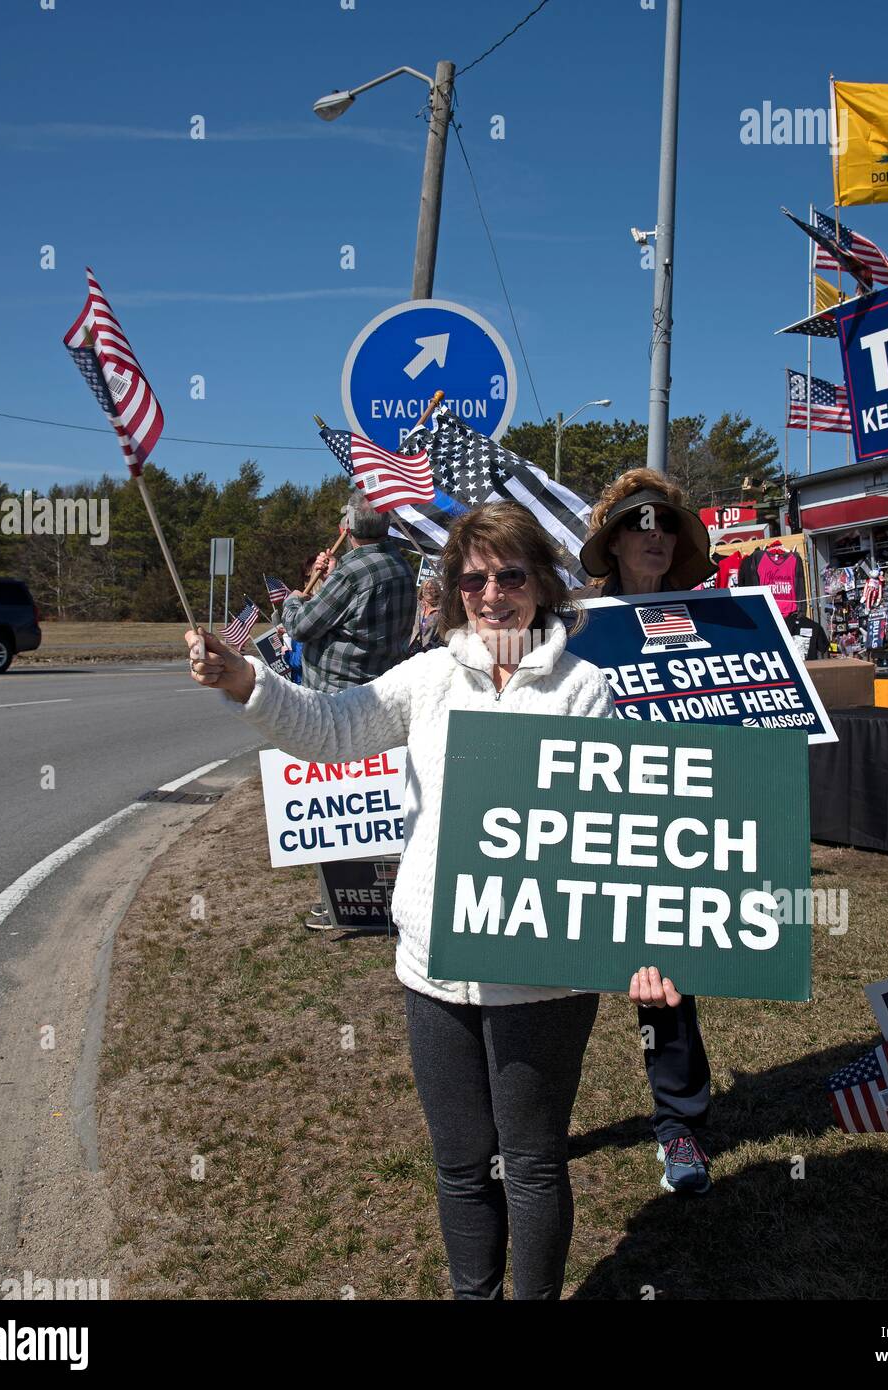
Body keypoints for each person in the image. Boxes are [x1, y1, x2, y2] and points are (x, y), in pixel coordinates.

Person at [185, 501, 680, 1300]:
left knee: (530, 1161)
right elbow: (329, 727)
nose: (492, 595)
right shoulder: (426, 677)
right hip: (432, 966)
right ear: (452, 590)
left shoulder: (586, 690)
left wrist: (645, 945)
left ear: (543, 585)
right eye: (473, 579)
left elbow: (623, 829)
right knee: (458, 1165)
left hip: (541, 971)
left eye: (510, 576)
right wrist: (246, 677)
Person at [578, 468, 719, 1197]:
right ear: (612, 541)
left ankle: (679, 1126)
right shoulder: (570, 628)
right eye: (637, 524)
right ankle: (529, 1129)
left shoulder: (712, 622)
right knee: (555, 977)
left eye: (665, 525)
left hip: (671, 831)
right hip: (583, 822)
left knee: (663, 984)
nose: (654, 536)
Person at [282, 491, 415, 692]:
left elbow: (299, 627)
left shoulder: (349, 576)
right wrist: (333, 577)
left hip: (338, 699)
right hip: (383, 690)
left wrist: (293, 600)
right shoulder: (402, 567)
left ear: (348, 527)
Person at [407, 577, 443, 656]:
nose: (428, 591)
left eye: (431, 588)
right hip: (411, 647)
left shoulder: (442, 609)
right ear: (422, 591)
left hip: (430, 651)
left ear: (437, 590)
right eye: (425, 588)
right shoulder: (417, 605)